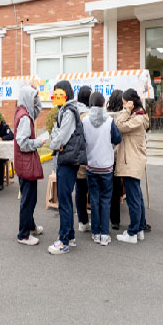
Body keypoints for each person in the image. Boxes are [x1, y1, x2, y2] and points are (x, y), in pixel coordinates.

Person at [48, 81, 87, 255]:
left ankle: (63, 241)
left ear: (66, 93)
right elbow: (54, 132)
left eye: (59, 93)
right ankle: (70, 236)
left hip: (68, 159)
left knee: (63, 200)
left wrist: (54, 144)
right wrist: (56, 141)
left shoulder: (69, 111)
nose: (56, 96)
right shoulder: (64, 110)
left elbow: (60, 136)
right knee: (65, 199)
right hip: (69, 158)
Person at [83, 92, 121, 246]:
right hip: (106, 166)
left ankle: (95, 233)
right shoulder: (110, 121)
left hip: (91, 165)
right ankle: (105, 234)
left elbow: (82, 139)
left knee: (94, 199)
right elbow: (117, 138)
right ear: (103, 104)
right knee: (106, 200)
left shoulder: (85, 120)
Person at [115, 89, 150, 244]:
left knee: (133, 198)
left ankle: (132, 232)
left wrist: (125, 110)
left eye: (124, 103)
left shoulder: (137, 118)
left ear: (131, 103)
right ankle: (139, 228)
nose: (123, 106)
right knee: (136, 196)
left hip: (132, 161)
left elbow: (119, 125)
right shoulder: (139, 116)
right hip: (133, 160)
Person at [15, 84, 46, 245]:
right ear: (28, 98)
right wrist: (39, 142)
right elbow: (22, 143)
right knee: (28, 199)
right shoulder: (25, 118)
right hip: (26, 163)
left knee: (30, 198)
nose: (35, 101)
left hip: (23, 163)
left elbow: (38, 109)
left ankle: (30, 226)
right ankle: (23, 235)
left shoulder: (22, 111)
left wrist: (37, 94)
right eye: (33, 97)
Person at [74, 86, 92, 233]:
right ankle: (92, 222)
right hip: (89, 157)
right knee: (91, 190)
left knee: (80, 190)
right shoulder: (87, 115)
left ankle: (82, 221)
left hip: (77, 157)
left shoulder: (73, 111)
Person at [106, 90, 125, 230]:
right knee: (117, 187)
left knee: (108, 188)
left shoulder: (106, 115)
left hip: (108, 155)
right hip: (121, 155)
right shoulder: (124, 116)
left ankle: (106, 217)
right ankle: (116, 221)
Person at [0, 115, 14, 191]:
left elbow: (11, 135)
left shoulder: (4, 127)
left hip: (3, 153)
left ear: (0, 122)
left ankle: (0, 184)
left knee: (0, 162)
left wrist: (2, 138)